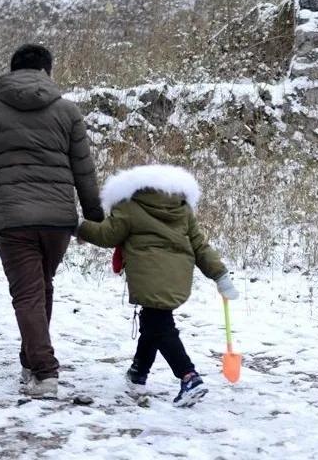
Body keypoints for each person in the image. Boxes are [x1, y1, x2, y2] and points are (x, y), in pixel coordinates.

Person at [0, 44, 103, 399]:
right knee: (40, 287)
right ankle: (30, 358)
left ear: (12, 69)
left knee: (28, 293)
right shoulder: (67, 111)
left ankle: (44, 370)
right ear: (46, 72)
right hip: (57, 220)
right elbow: (85, 170)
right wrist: (94, 219)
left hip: (13, 218)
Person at [76, 164, 238, 407]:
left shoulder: (129, 206)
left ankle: (189, 376)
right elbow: (200, 246)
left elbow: (106, 236)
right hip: (178, 275)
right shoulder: (182, 209)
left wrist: (77, 226)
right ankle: (138, 372)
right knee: (153, 320)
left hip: (147, 274)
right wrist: (220, 275)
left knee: (159, 324)